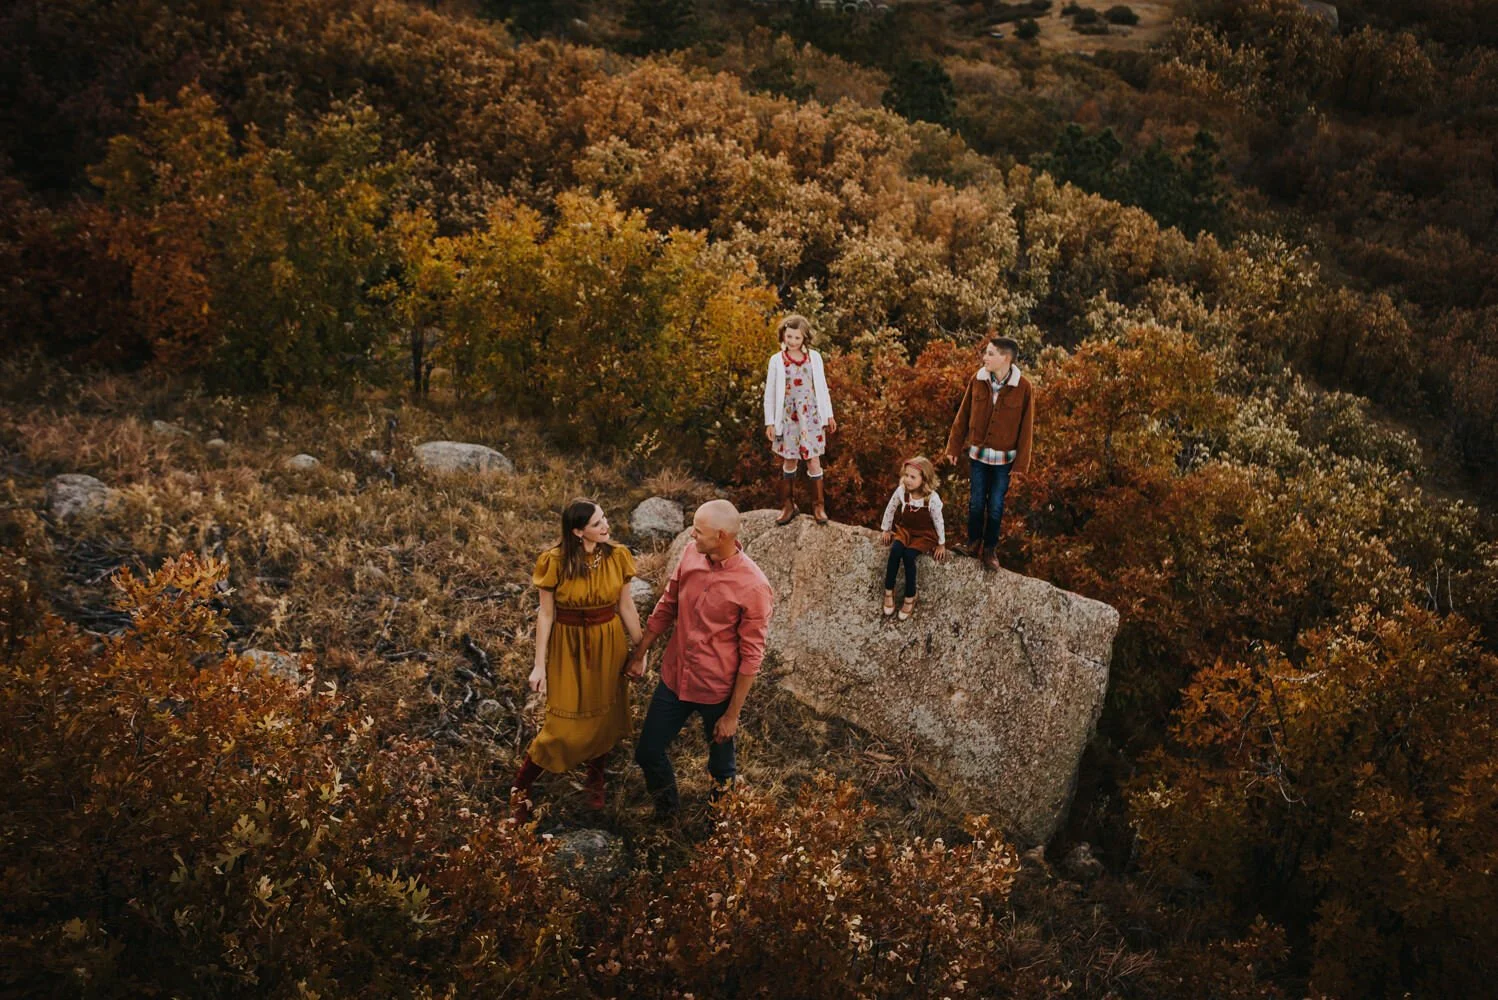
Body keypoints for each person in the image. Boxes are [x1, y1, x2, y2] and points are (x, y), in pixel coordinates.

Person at [624, 500, 774, 819]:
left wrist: (732, 715)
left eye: (698, 530)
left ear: (721, 536)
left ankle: (716, 831)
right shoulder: (691, 554)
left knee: (721, 770)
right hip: (674, 678)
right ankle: (668, 815)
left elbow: (752, 656)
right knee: (647, 752)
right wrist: (639, 654)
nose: (692, 535)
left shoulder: (754, 586)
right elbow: (667, 606)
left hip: (716, 689)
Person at [510, 499, 643, 824]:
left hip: (608, 641)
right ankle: (521, 786)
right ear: (578, 531)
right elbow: (546, 614)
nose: (606, 526)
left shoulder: (618, 556)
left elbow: (626, 606)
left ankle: (595, 776)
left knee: (605, 713)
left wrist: (641, 650)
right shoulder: (554, 561)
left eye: (605, 518)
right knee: (560, 727)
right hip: (568, 645)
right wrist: (539, 665)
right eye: (597, 523)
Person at [943, 334, 1035, 572]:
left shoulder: (1024, 387)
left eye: (990, 354)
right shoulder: (978, 379)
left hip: (1004, 461)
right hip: (978, 457)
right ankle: (972, 544)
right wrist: (953, 447)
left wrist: (1021, 465)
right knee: (975, 503)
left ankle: (990, 550)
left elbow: (1027, 428)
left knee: (995, 506)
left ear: (1005, 358)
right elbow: (963, 415)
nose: (985, 357)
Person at [763, 314, 837, 526]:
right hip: (788, 418)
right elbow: (770, 393)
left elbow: (822, 388)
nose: (793, 341)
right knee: (790, 459)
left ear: (804, 338)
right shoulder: (777, 360)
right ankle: (788, 504)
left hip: (810, 416)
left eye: (797, 337)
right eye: (789, 336)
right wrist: (770, 422)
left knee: (813, 460)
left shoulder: (814, 357)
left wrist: (829, 414)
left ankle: (818, 506)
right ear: (783, 336)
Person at [878, 456, 948, 620]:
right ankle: (889, 590)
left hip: (924, 534)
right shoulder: (902, 491)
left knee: (909, 555)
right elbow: (891, 508)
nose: (907, 480)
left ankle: (910, 595)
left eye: (913, 477)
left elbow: (939, 521)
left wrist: (941, 543)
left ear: (924, 479)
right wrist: (886, 529)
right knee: (896, 551)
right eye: (906, 475)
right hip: (906, 530)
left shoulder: (932, 498)